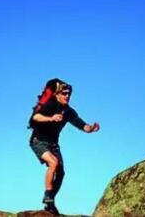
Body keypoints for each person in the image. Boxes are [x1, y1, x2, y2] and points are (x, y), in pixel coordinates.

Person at [29, 79, 100, 215]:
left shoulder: (68, 111)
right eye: (64, 93)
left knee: (61, 173)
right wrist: (51, 118)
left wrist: (90, 128)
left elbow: (80, 124)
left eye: (69, 94)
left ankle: (50, 201)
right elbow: (35, 117)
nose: (67, 96)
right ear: (57, 94)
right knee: (53, 163)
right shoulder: (49, 104)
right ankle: (48, 196)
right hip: (38, 141)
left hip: (54, 145)